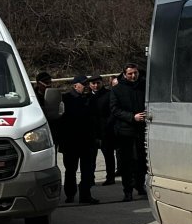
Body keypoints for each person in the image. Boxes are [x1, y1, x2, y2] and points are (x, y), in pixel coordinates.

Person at [108, 61, 148, 200]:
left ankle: (140, 185)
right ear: (124, 74)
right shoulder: (117, 89)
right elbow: (114, 109)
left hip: (142, 129)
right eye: (130, 73)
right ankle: (128, 190)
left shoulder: (144, 86)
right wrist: (132, 117)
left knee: (142, 160)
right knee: (127, 162)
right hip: (125, 130)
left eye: (135, 73)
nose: (133, 76)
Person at [58, 76, 101, 204]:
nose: (86, 86)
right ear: (75, 85)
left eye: (86, 84)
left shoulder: (90, 98)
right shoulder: (65, 99)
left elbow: (96, 119)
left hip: (87, 141)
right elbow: (60, 121)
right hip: (71, 141)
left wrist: (97, 136)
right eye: (83, 84)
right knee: (71, 170)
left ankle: (85, 195)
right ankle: (70, 195)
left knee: (87, 170)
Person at [88, 75, 117, 185]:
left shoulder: (109, 94)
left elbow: (112, 112)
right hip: (92, 131)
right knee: (91, 157)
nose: (95, 86)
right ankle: (90, 178)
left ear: (102, 83)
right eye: (93, 84)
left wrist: (107, 126)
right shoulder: (87, 96)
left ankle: (110, 177)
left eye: (97, 83)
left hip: (106, 130)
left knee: (108, 155)